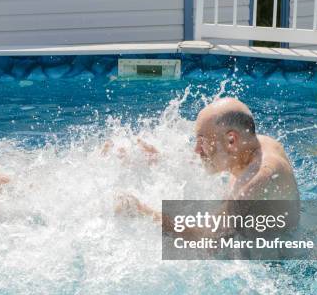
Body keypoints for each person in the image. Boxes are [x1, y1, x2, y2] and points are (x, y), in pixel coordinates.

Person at [117, 97, 300, 236]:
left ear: (231, 140)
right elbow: (216, 157)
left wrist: (142, 212)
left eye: (201, 141)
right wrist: (162, 159)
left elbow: (205, 239)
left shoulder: (257, 180)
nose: (196, 150)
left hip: (275, 265)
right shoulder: (252, 146)